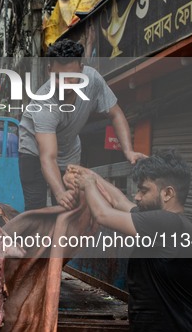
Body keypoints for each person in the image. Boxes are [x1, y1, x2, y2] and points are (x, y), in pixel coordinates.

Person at [73, 150, 192, 332]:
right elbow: (120, 203)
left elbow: (104, 214)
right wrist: (93, 176)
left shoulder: (169, 223)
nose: (137, 196)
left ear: (168, 193)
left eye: (144, 191)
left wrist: (88, 185)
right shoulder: (159, 222)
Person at [18, 39, 146, 211]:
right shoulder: (44, 103)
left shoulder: (93, 80)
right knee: (36, 208)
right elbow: (48, 157)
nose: (65, 84)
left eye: (71, 77)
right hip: (34, 151)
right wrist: (59, 193)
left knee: (71, 207)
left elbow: (115, 114)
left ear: (81, 68)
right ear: (49, 70)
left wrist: (128, 150)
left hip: (69, 149)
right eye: (58, 77)